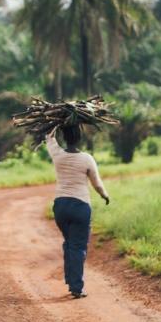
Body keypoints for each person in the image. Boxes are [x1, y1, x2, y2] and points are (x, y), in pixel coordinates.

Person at [46, 124, 109, 299]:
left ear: (64, 137)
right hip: (80, 206)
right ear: (80, 138)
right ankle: (76, 287)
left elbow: (49, 139)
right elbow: (97, 184)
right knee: (77, 246)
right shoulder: (87, 159)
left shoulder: (57, 155)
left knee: (69, 243)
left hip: (60, 207)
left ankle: (70, 280)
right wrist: (105, 195)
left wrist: (55, 125)